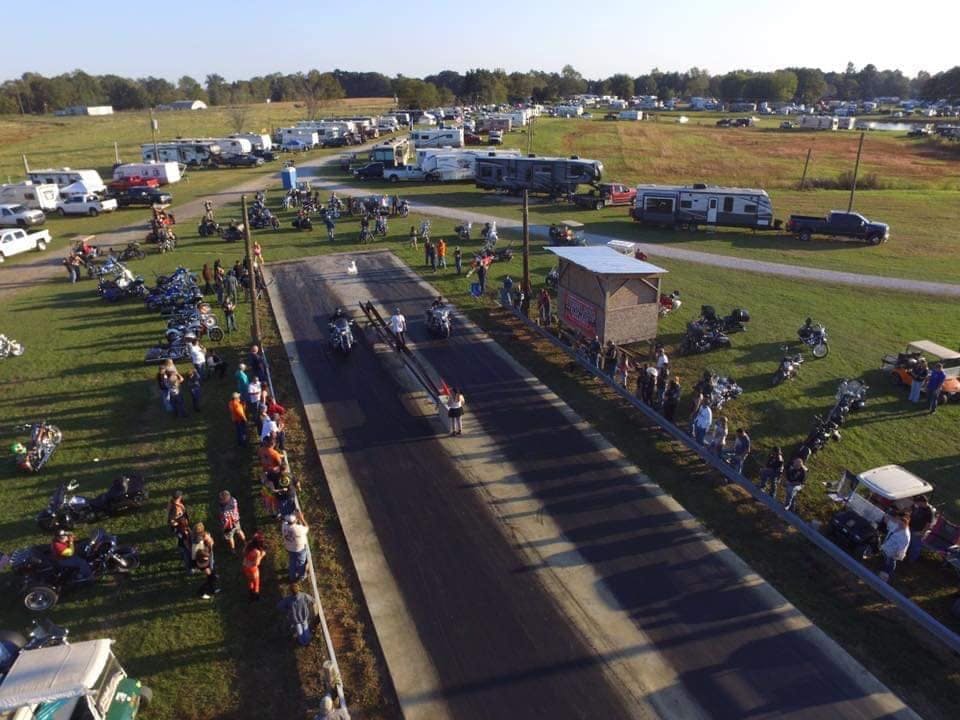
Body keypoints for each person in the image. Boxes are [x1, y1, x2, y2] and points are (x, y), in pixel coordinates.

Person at [278, 582, 316, 646]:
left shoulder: (288, 600)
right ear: (299, 589)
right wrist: (309, 605)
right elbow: (313, 600)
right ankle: (308, 641)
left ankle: (303, 643)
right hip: (304, 617)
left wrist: (287, 610)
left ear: (291, 592)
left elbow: (279, 606)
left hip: (295, 620)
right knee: (306, 630)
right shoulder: (304, 596)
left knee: (300, 632)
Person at [879, 511, 911, 583]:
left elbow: (902, 547)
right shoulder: (896, 525)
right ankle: (883, 574)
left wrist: (896, 554)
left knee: (889, 563)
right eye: (899, 520)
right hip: (887, 548)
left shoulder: (905, 535)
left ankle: (884, 579)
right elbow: (887, 521)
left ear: (906, 523)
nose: (899, 522)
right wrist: (887, 514)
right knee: (885, 561)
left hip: (893, 552)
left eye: (902, 522)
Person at [281, 511, 310, 583]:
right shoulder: (298, 529)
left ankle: (291, 576)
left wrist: (297, 518)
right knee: (301, 563)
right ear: (295, 521)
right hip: (299, 549)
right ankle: (302, 576)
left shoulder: (284, 526)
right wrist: (302, 518)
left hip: (289, 548)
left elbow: (285, 521)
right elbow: (307, 528)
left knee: (292, 562)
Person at [907, 495, 933, 562]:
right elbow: (909, 510)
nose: (917, 504)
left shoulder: (929, 511)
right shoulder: (916, 506)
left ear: (923, 502)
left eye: (918, 502)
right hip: (910, 526)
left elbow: (928, 524)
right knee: (908, 542)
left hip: (918, 531)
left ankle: (911, 560)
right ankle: (905, 556)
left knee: (915, 546)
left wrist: (922, 533)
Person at [242, 532, 267, 601]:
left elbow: (243, 552)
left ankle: (250, 593)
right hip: (252, 569)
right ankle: (255, 597)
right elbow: (256, 563)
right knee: (256, 583)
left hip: (245, 565)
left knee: (250, 580)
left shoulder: (248, 544)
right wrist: (262, 556)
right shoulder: (257, 552)